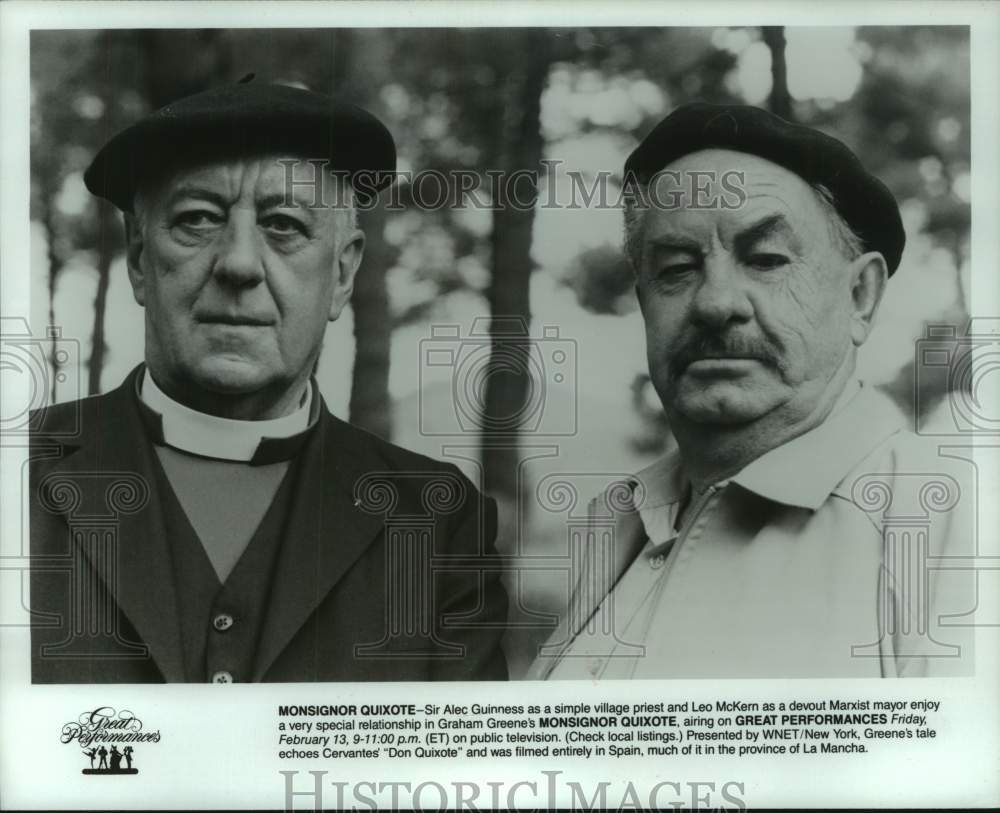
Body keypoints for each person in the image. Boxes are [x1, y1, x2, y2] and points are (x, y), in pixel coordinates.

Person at [29, 78, 508, 683]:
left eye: (284, 225)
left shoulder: (439, 524)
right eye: (198, 219)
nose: (238, 263)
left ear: (341, 274)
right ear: (138, 262)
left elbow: (459, 776)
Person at [529, 103, 975, 679]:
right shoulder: (625, 525)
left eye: (765, 260)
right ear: (644, 302)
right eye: (677, 267)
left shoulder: (953, 526)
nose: (716, 303)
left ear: (861, 296)